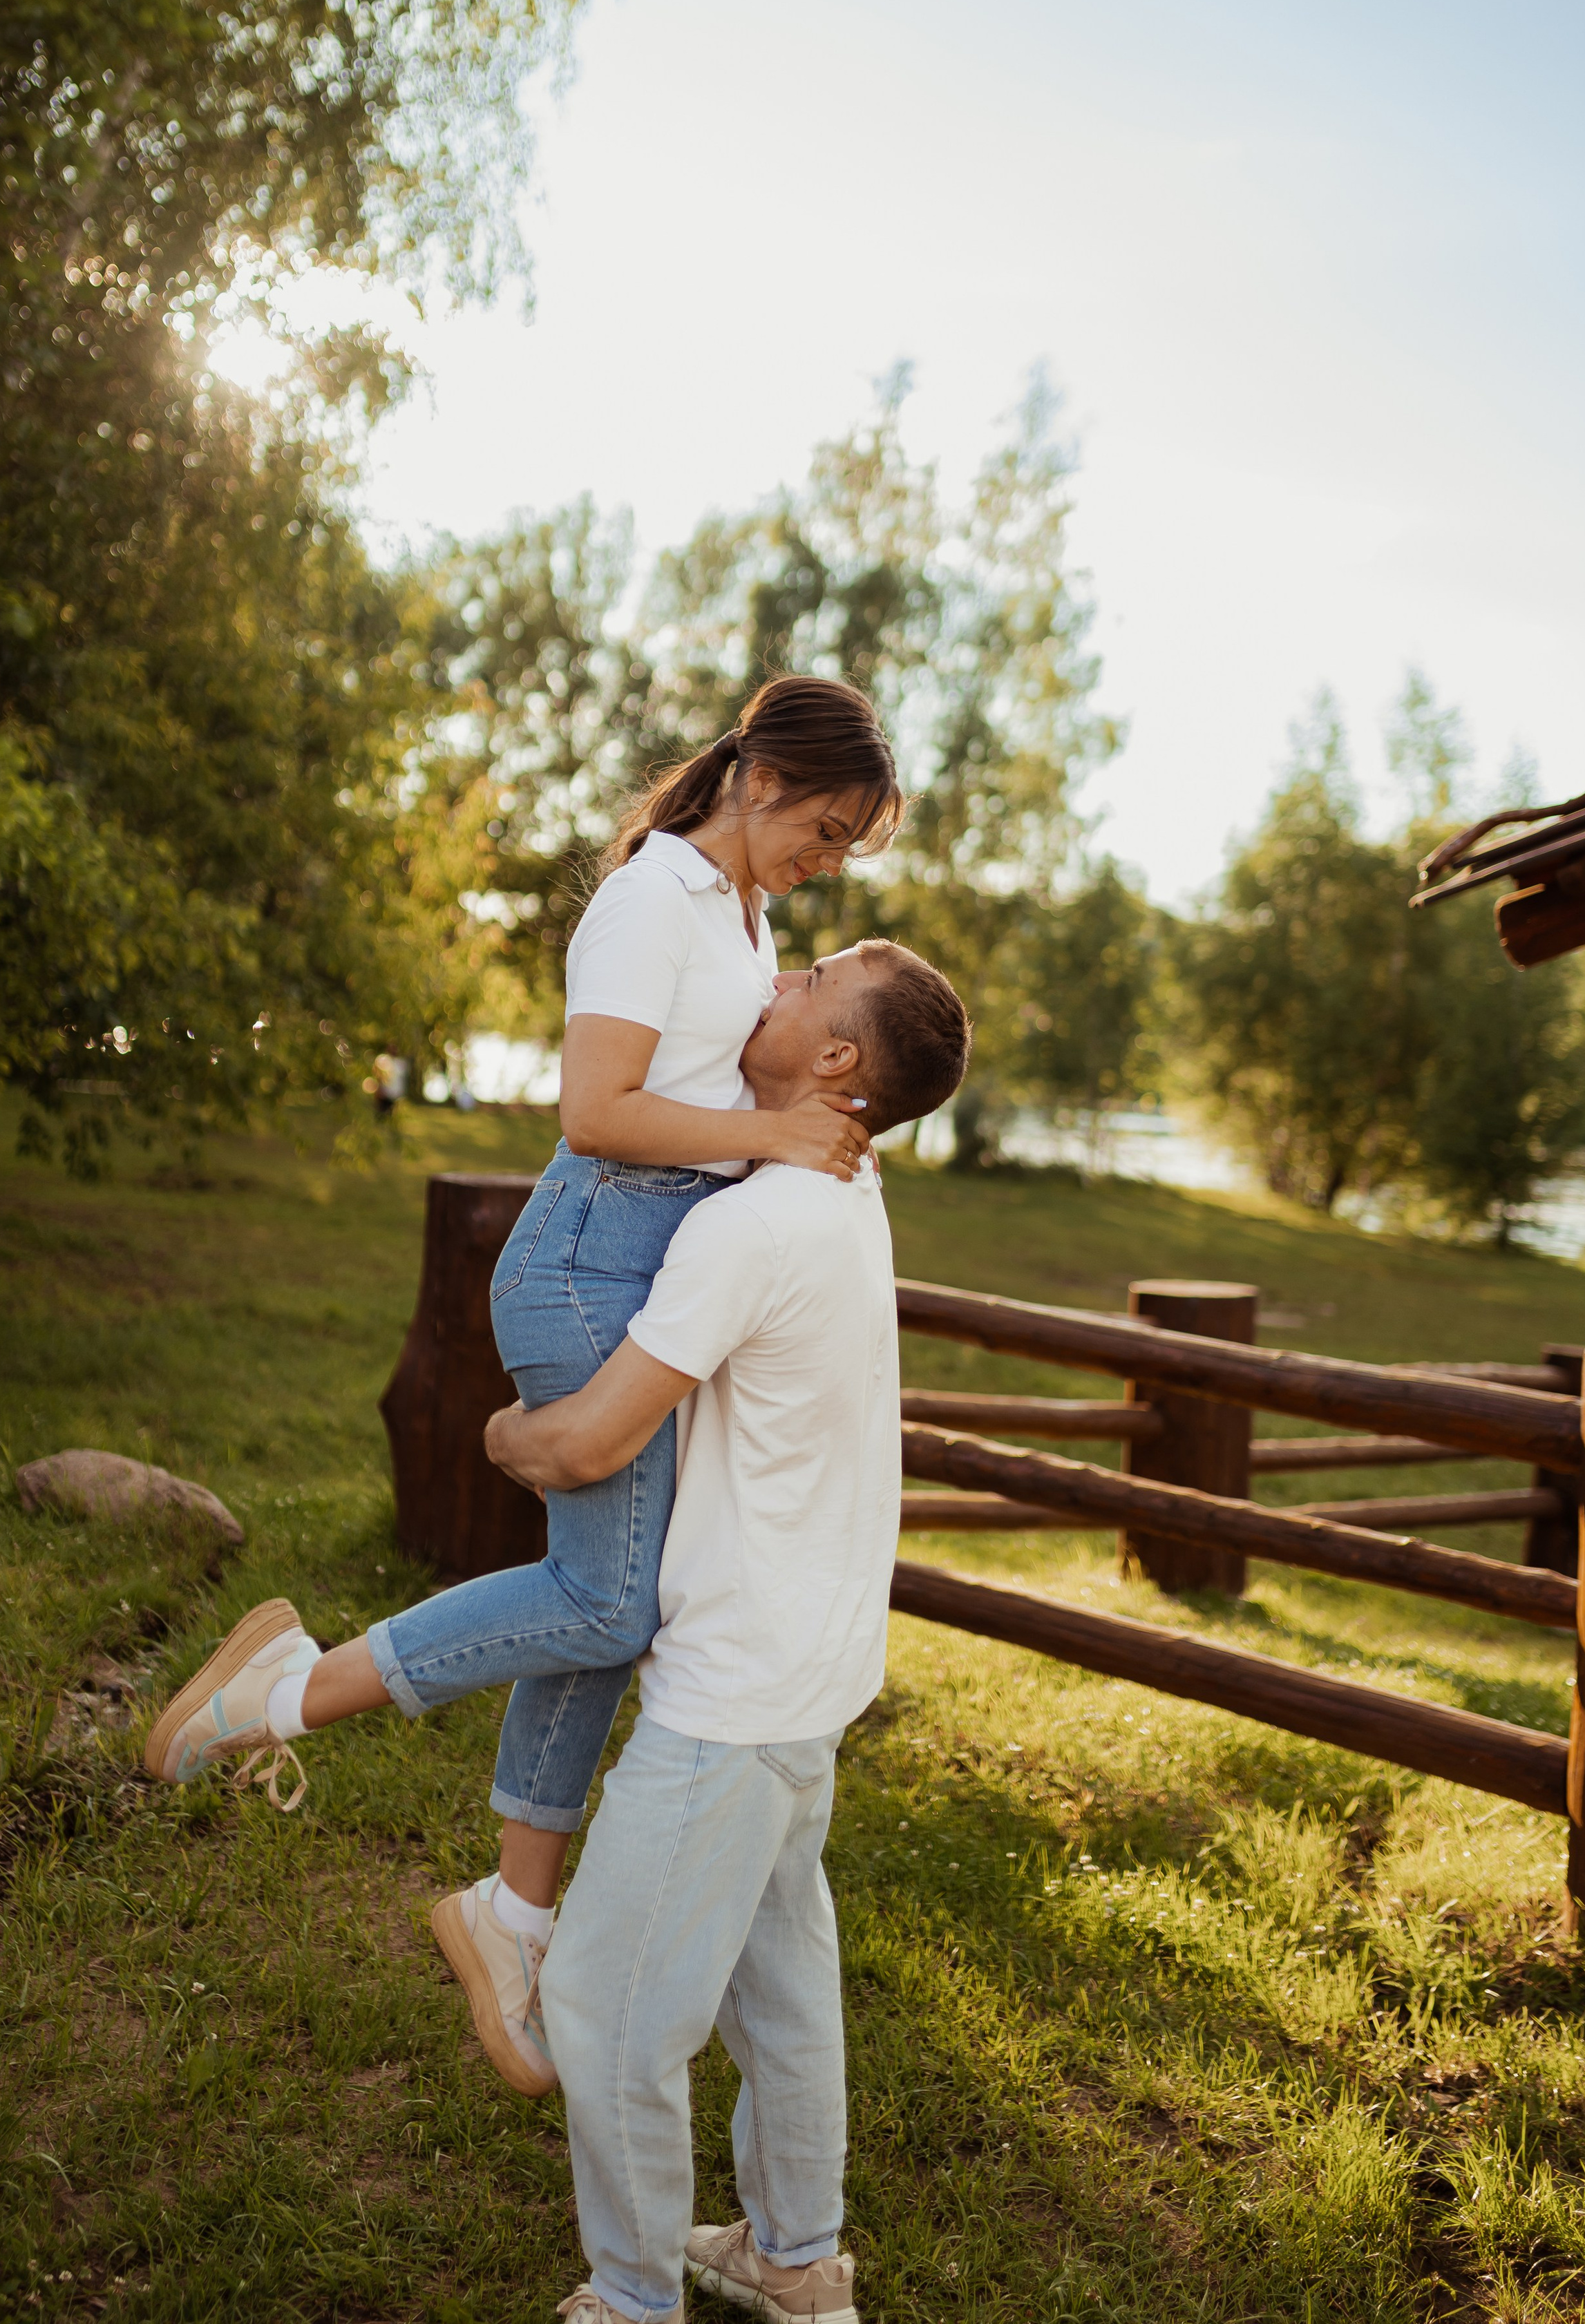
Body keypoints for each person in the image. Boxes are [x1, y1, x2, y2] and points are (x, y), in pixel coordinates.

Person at [142, 677, 902, 2084]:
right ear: (763, 773)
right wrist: (774, 1137)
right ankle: (280, 1694)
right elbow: (595, 1111)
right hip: (585, 1257)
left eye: (852, 843)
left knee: (607, 1610)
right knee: (608, 1596)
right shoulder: (651, 899)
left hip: (655, 1265)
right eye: (830, 825)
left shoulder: (743, 915)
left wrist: (783, 1136)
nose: (832, 856)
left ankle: (513, 1913)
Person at [482, 937, 971, 2324]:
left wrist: (502, 1431)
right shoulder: (838, 1183)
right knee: (778, 1975)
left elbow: (586, 1442)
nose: (774, 976)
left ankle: (633, 2298)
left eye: (810, 975)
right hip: (812, 1664)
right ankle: (795, 2255)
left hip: (737, 1685)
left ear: (833, 1061)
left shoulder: (753, 1221)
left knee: (605, 1999)